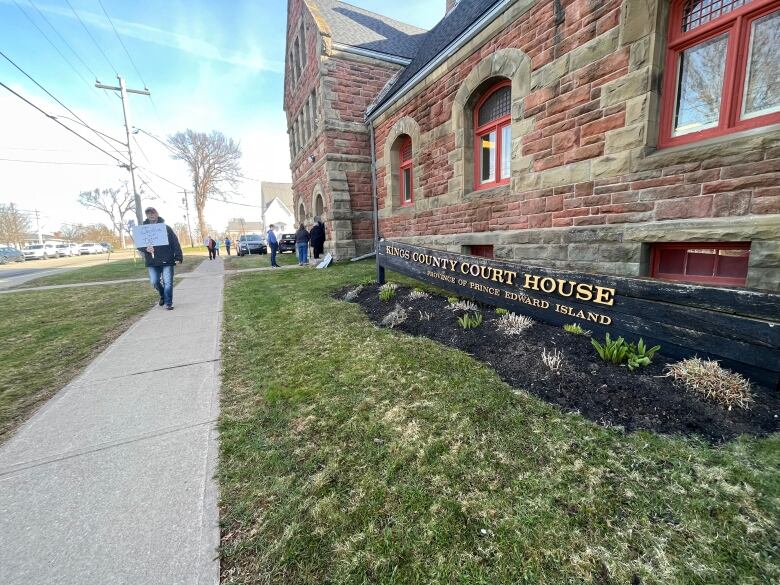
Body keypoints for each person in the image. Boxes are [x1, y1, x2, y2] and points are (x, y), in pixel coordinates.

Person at [138, 207, 182, 310]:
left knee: (168, 282)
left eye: (153, 213)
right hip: (152, 261)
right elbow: (139, 244)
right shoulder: (142, 229)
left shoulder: (166, 228)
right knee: (154, 281)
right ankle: (162, 295)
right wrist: (146, 249)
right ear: (147, 216)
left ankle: (168, 303)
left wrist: (178, 255)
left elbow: (175, 242)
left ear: (157, 214)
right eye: (148, 213)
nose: (151, 215)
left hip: (167, 259)